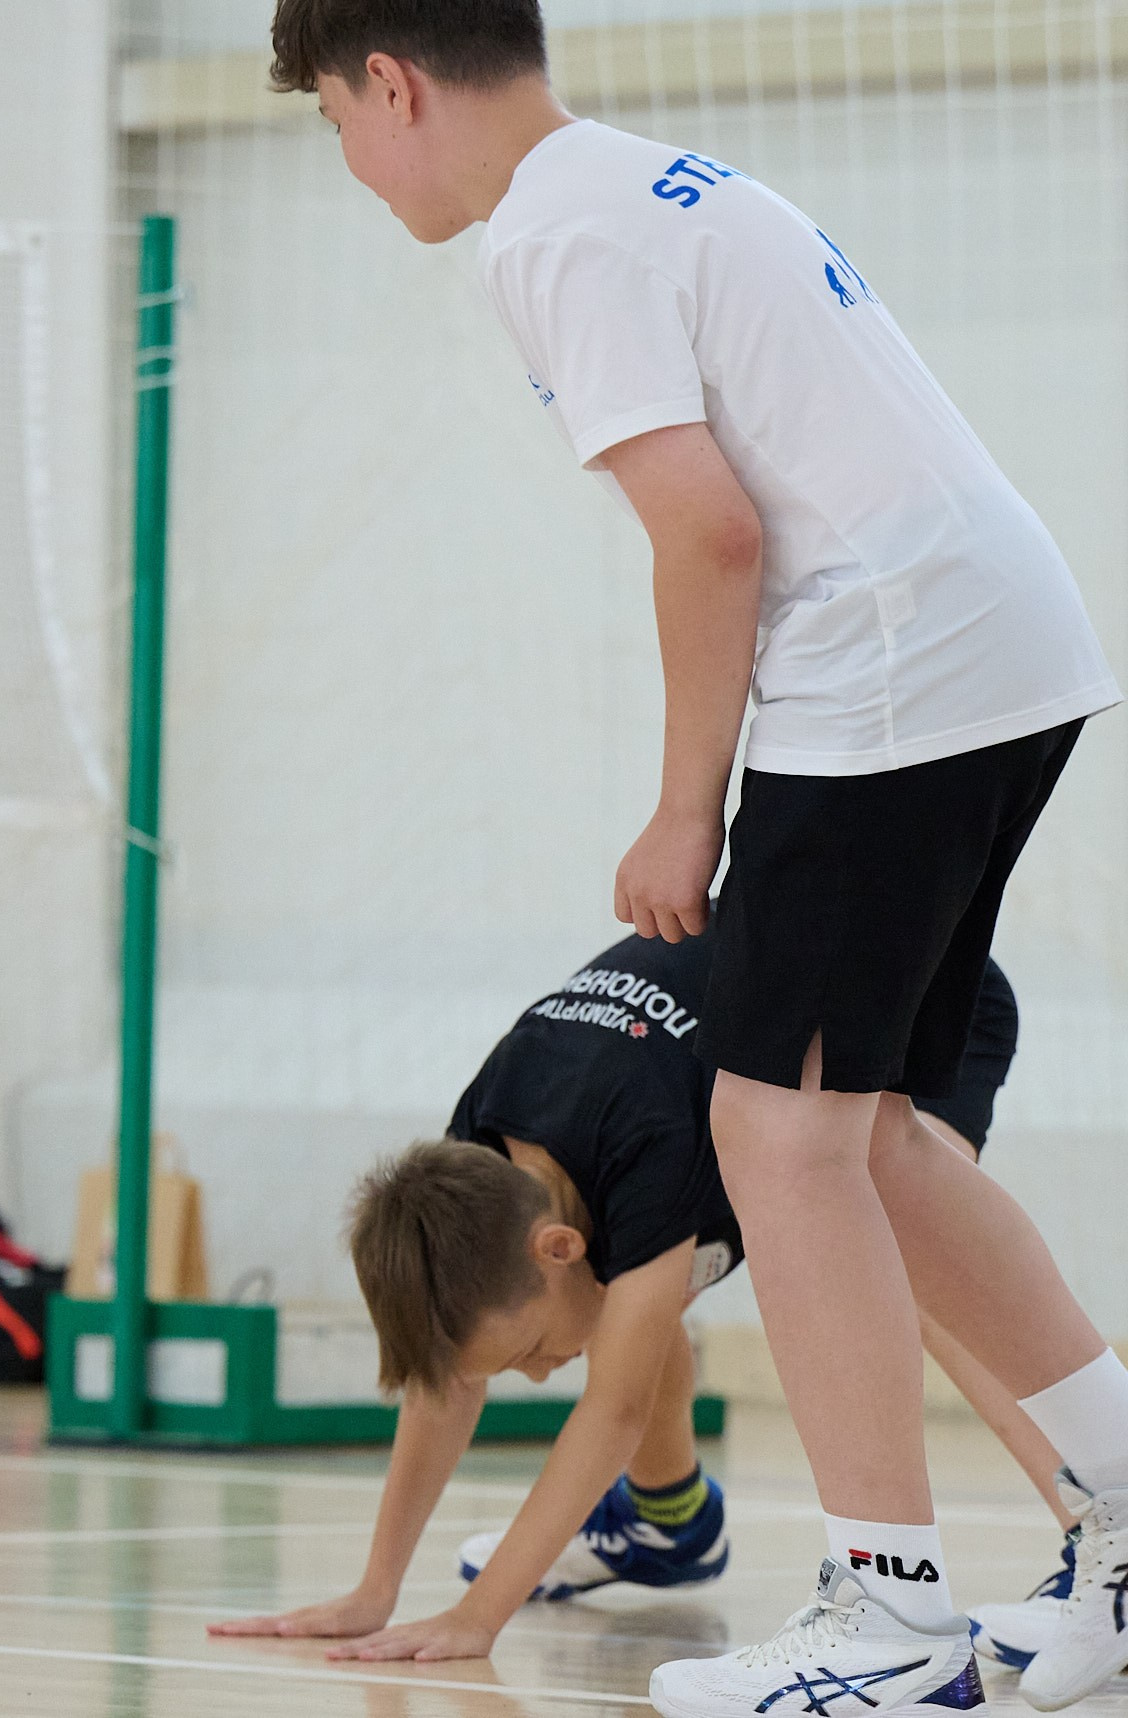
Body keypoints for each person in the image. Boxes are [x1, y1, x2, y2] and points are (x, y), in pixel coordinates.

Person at [265, 2, 1126, 1709]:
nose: (352, 164)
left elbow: (712, 532)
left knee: (776, 1132)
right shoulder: (645, 183)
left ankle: (889, 1620)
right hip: (999, 636)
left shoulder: (549, 235)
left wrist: (685, 807)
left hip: (890, 660)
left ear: (391, 84)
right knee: (867, 1133)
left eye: (334, 123)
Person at [209, 928, 1081, 1672]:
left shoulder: (645, 1145)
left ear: (557, 1246)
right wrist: (375, 1589)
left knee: (912, 1265)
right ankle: (669, 1523)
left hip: (923, 1002)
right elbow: (449, 1380)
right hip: (763, 1061)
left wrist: (477, 1619)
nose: (539, 1376)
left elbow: (615, 1407)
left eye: (526, 1355)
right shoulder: (474, 1167)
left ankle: (1102, 1541)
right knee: (629, 1298)